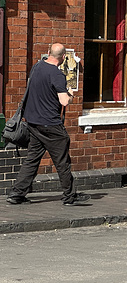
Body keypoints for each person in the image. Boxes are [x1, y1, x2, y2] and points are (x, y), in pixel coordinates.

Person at [6, 43, 91, 205]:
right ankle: (69, 196)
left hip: (33, 124)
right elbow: (64, 101)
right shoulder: (57, 75)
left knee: (32, 160)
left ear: (48, 53)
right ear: (64, 57)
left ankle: (16, 194)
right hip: (51, 126)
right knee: (62, 161)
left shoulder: (36, 68)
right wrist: (71, 93)